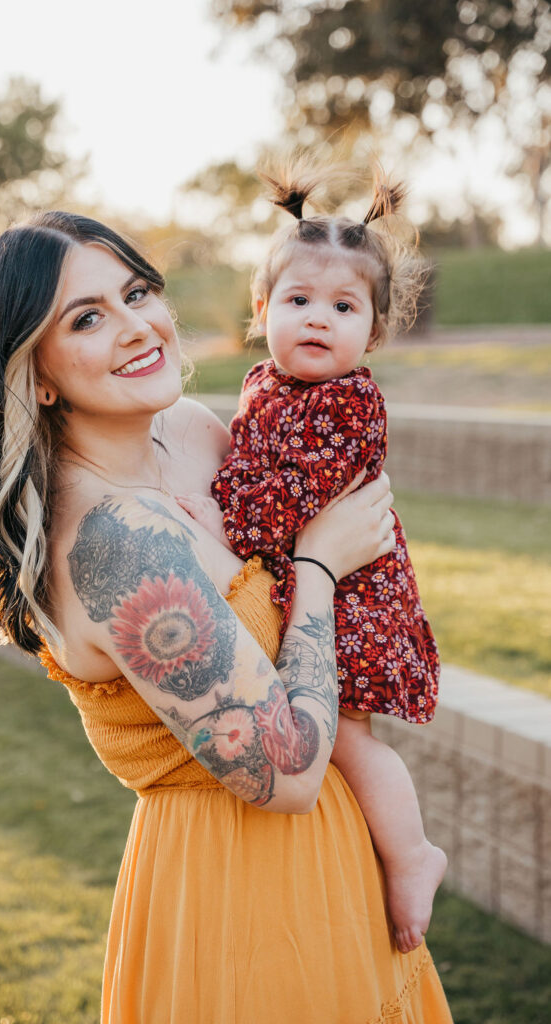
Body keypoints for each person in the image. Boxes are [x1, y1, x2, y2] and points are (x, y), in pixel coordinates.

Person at [0, 209, 452, 1023]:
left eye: (137, 292)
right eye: (86, 317)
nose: (136, 327)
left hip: (340, 862)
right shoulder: (114, 545)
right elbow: (285, 773)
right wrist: (323, 565)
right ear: (35, 373)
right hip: (237, 892)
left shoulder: (188, 432)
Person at [180, 162, 447, 954]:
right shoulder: (264, 384)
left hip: (354, 597)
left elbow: (285, 504)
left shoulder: (348, 402)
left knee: (349, 739)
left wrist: (214, 512)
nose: (317, 319)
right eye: (298, 300)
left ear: (372, 331)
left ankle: (412, 854)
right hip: (309, 586)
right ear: (261, 311)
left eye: (342, 306)